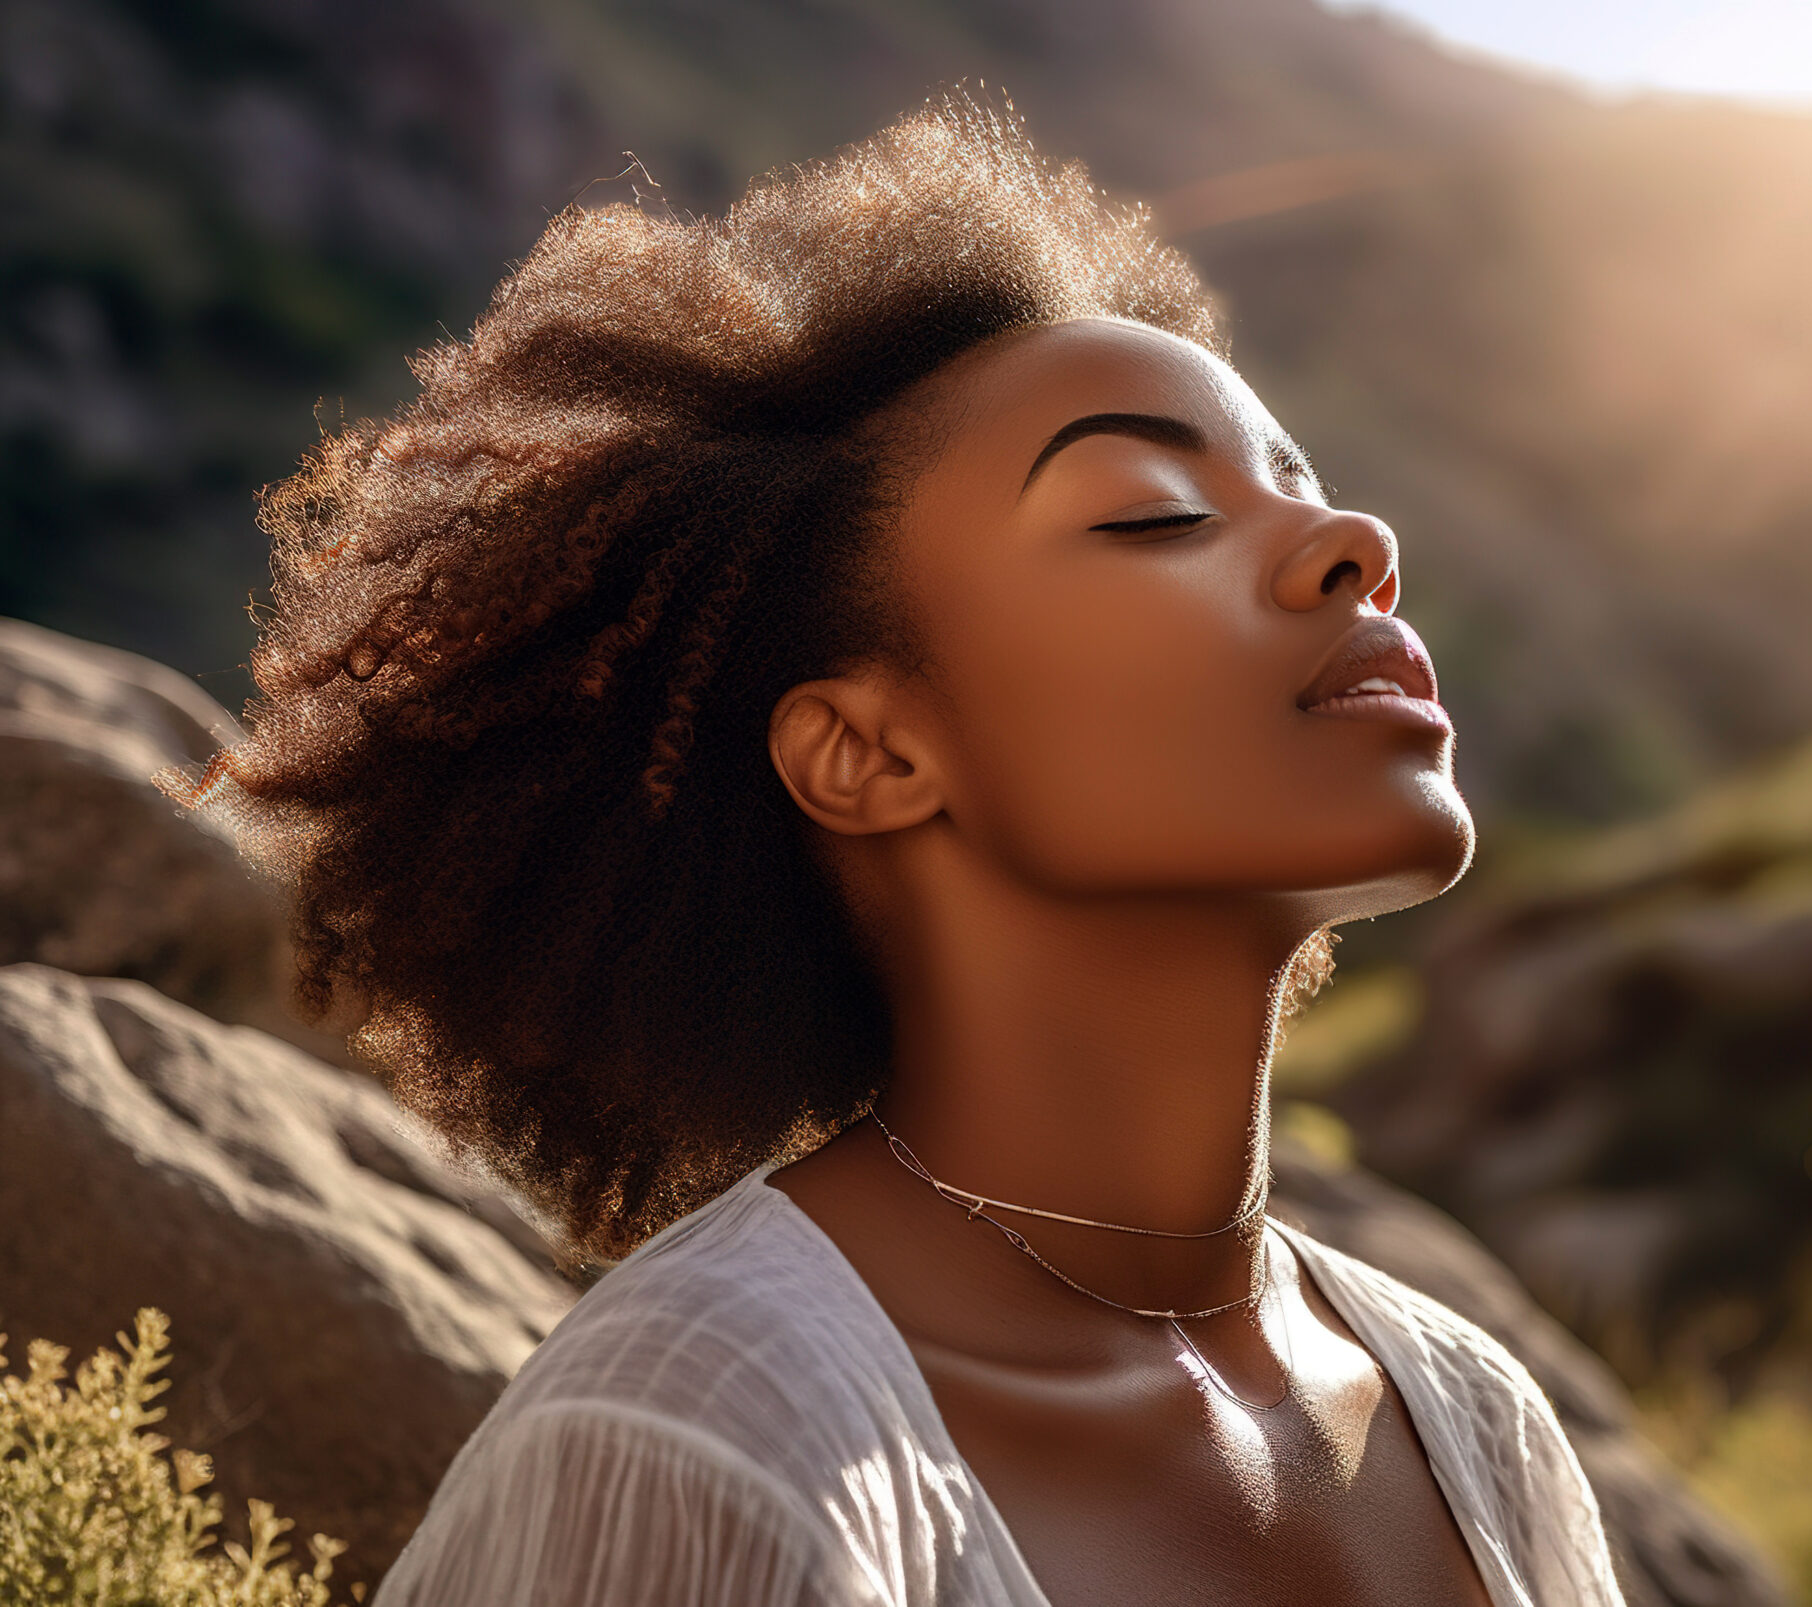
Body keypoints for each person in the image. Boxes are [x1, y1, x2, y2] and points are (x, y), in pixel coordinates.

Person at [194, 97, 1624, 1607]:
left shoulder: (1472, 1428)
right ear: (868, 756)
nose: (1352, 543)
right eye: (1154, 513)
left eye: (1302, 483)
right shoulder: (702, 1439)